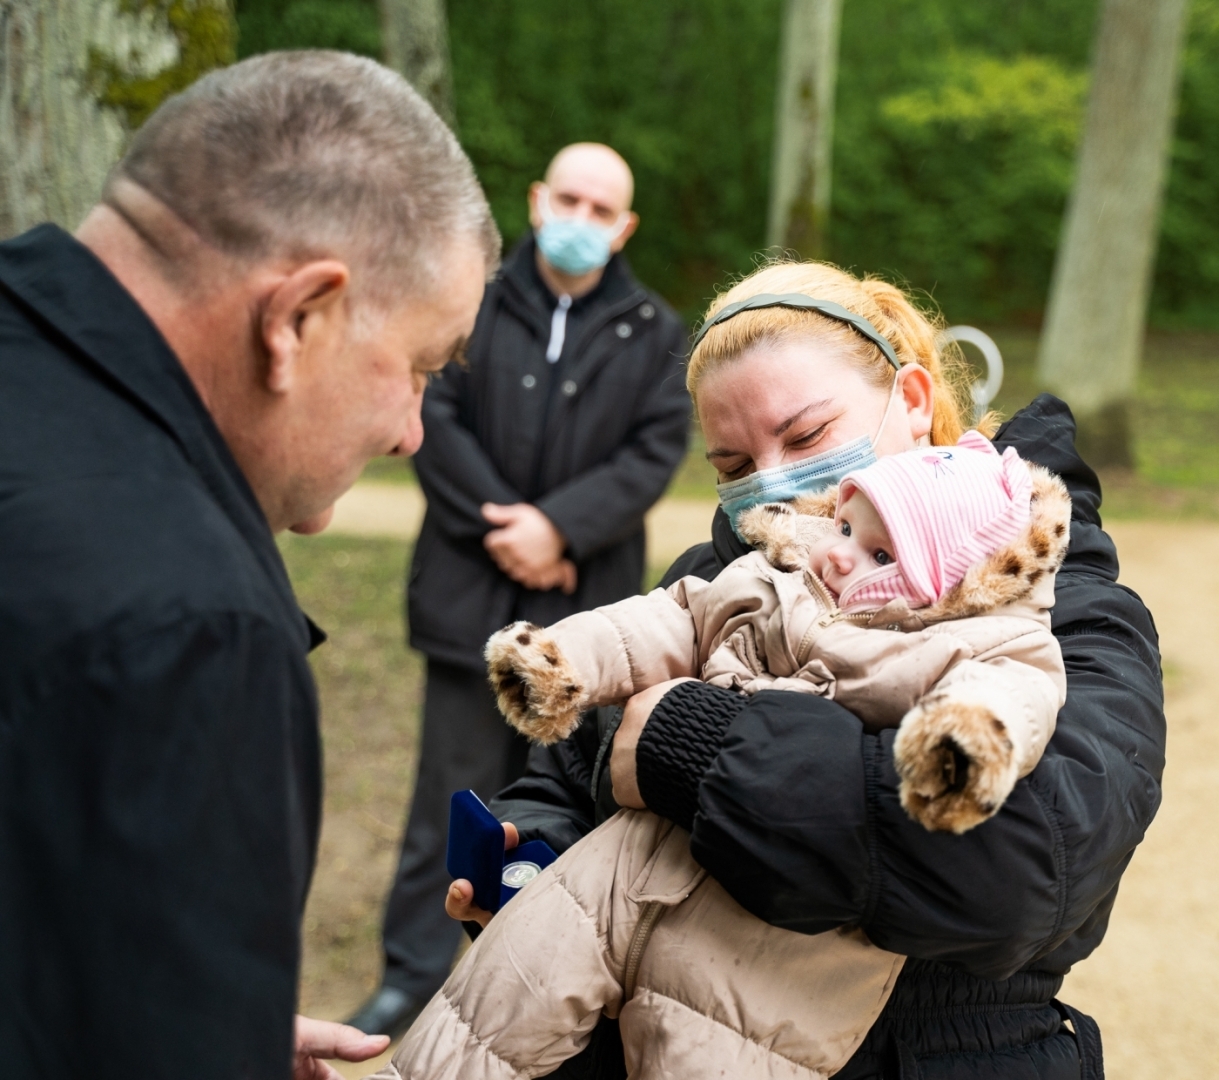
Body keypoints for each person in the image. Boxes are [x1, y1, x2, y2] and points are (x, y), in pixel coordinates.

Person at [446, 261, 1165, 1079]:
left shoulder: (1066, 613)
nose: (771, 482)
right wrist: (535, 858)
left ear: (914, 401)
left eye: (805, 435)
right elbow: (567, 773)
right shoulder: (712, 580)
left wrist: (693, 744)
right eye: (730, 465)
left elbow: (1026, 876)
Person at [0, 51, 499, 1080]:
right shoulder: (190, 629)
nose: (413, 429)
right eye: (418, 367)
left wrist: (139, 1004)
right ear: (297, 320)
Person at [379, 432, 1073, 1079]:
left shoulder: (967, 641)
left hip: (769, 946)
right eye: (845, 527)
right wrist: (566, 662)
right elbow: (667, 618)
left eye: (882, 556)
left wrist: (958, 743)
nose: (839, 555)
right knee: (495, 998)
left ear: (949, 588)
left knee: (709, 1054)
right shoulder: (772, 575)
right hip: (623, 861)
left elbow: (1010, 686)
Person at [348, 143, 690, 1038]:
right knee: (446, 797)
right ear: (537, 201)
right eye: (566, 198)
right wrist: (510, 526)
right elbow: (437, 416)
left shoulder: (654, 332)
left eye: (600, 207)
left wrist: (561, 529)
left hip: (582, 613)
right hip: (467, 592)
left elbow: (652, 453)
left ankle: (532, 990)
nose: (580, 219)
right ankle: (414, 971)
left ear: (625, 227)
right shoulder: (475, 300)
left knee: (563, 803)